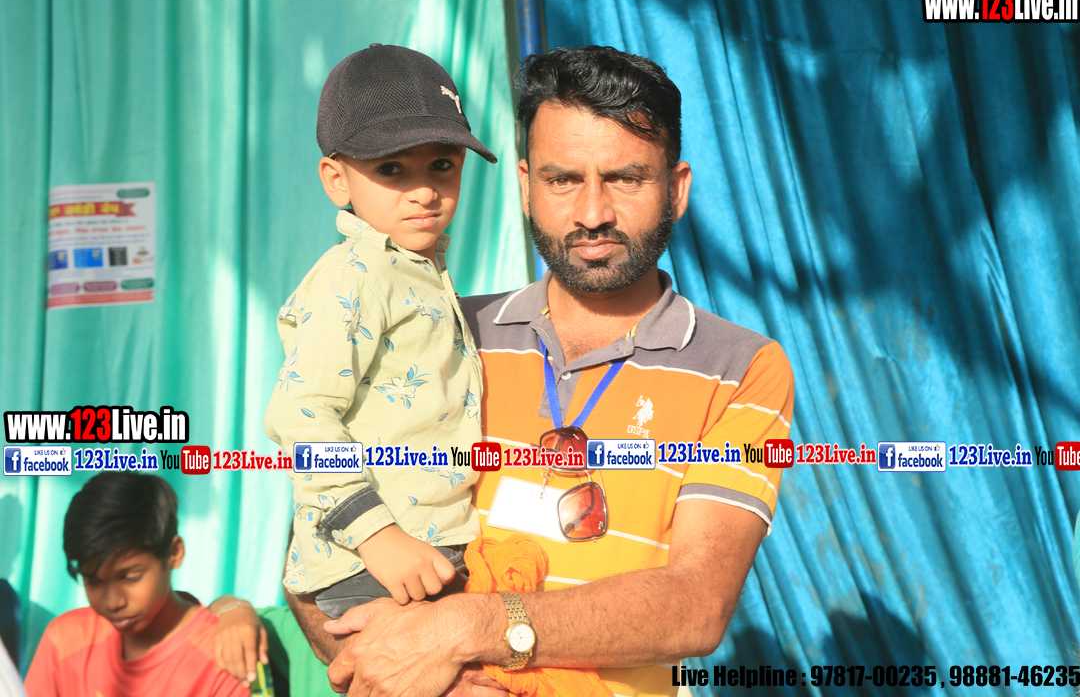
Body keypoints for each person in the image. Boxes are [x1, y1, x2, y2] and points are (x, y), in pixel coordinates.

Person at [288, 45, 795, 697]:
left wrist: (469, 630)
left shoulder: (741, 367)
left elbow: (695, 605)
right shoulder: (445, 332)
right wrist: (419, 675)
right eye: (562, 180)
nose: (592, 213)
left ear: (676, 189)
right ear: (525, 185)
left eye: (625, 179)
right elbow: (313, 550)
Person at [263, 44, 498, 624]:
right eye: (392, 169)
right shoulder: (355, 274)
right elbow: (300, 415)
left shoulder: (412, 267)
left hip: (428, 545)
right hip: (376, 559)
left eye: (442, 164)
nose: (424, 190)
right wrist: (377, 536)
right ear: (336, 179)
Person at [23, 472, 247, 696]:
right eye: (93, 581)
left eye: (130, 577)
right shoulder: (65, 639)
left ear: (174, 552)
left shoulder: (227, 657)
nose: (113, 602)